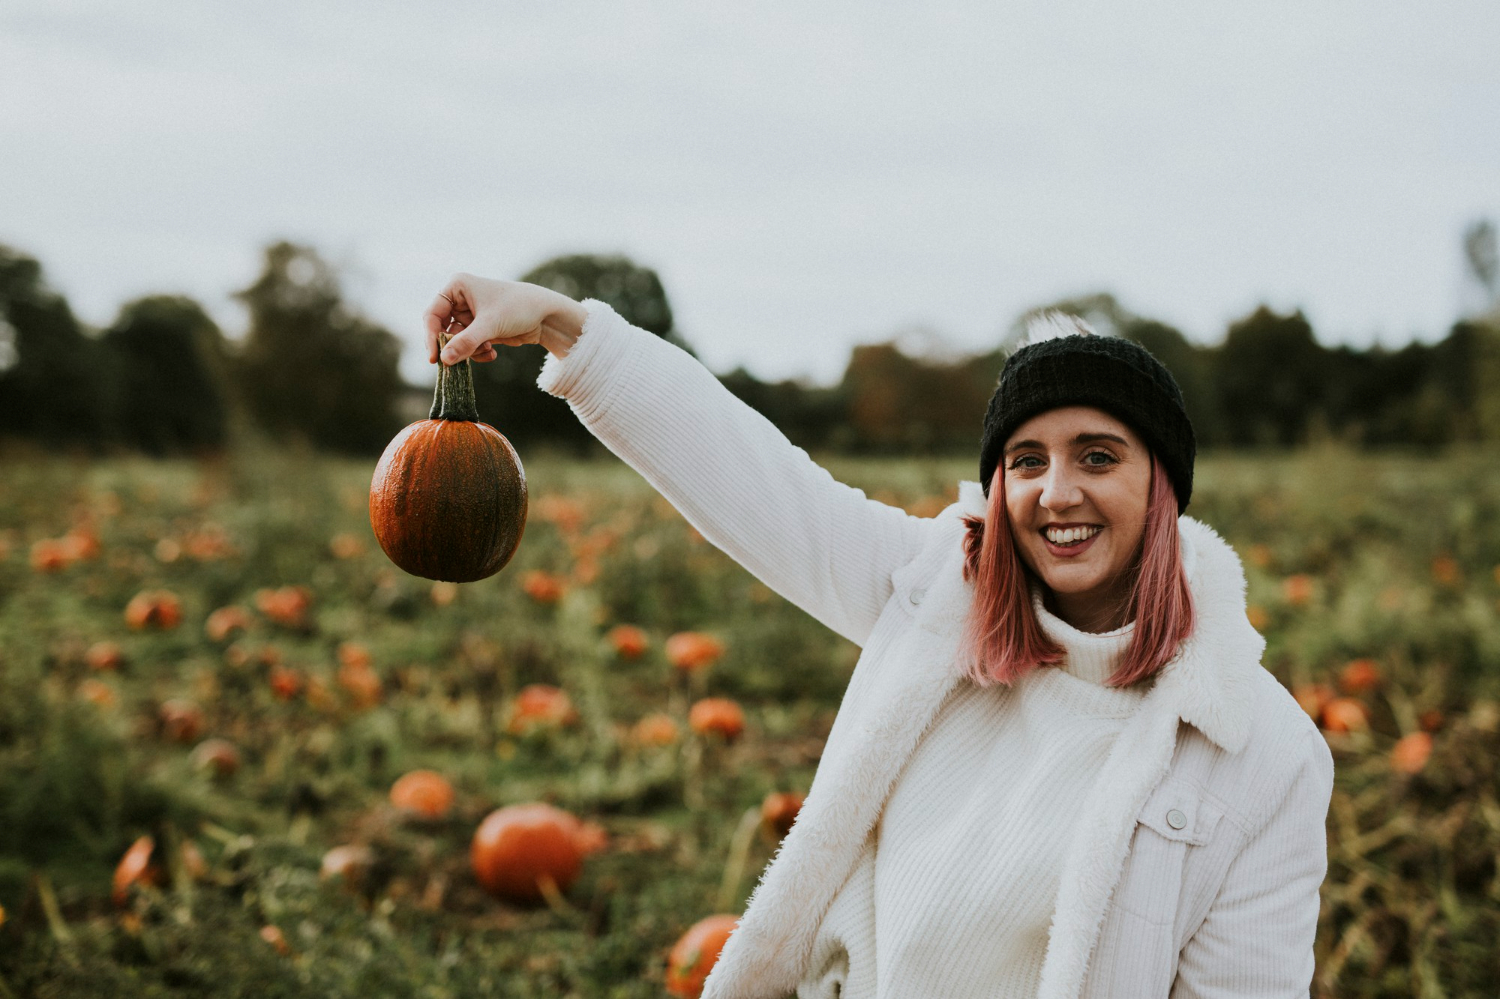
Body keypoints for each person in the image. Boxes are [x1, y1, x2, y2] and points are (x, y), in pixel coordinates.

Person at [425, 275, 1335, 999]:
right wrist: (555, 321)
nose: (1057, 491)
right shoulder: (938, 600)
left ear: (1162, 489)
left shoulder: (1263, 751)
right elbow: (752, 475)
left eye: (1098, 455)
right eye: (1027, 460)